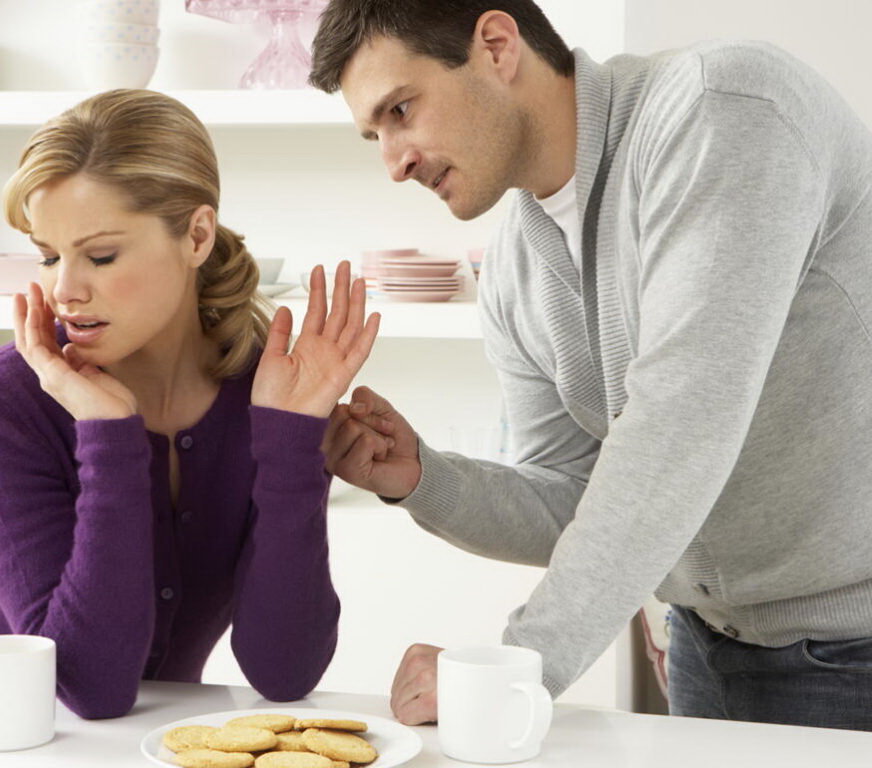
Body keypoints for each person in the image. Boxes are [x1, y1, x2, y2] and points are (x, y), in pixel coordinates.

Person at [311, 0, 872, 731]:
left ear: (496, 46)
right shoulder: (513, 268)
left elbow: (679, 429)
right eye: (375, 135)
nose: (395, 163)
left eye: (401, 110)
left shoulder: (722, 110)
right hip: (703, 645)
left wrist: (516, 667)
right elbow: (574, 497)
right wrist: (425, 478)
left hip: (854, 648)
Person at [0, 89, 380, 719]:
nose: (64, 289)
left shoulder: (267, 392)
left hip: (135, 744)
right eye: (48, 256)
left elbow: (284, 672)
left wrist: (292, 443)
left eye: (100, 255)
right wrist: (109, 435)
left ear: (197, 235)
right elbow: (86, 684)